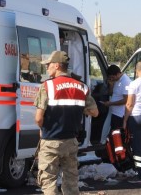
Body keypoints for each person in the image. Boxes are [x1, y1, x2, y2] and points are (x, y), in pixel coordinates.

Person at [34, 50, 99, 195]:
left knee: (48, 181)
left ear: (57, 65)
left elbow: (38, 118)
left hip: (51, 141)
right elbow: (95, 112)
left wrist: (42, 128)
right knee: (71, 182)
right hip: (71, 142)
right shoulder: (81, 87)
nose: (47, 67)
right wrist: (78, 109)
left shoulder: (47, 86)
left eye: (48, 65)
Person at [103, 64, 131, 130]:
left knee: (117, 136)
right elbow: (111, 94)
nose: (112, 79)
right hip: (114, 112)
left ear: (118, 74)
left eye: (113, 77)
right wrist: (111, 85)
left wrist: (111, 103)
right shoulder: (116, 80)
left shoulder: (125, 81)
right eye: (110, 78)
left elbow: (126, 100)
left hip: (120, 114)